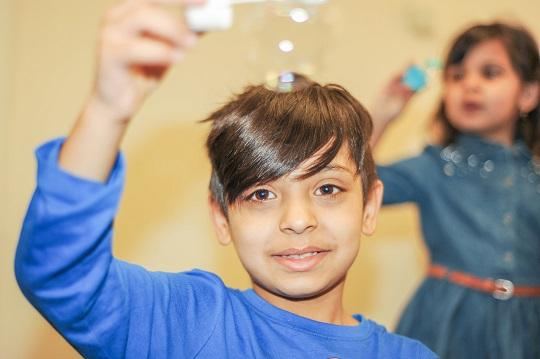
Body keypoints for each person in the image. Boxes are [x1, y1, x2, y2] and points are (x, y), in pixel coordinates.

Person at [14, 0, 437, 357]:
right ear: (220, 217)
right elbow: (60, 276)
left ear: (369, 206)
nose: (297, 218)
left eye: (327, 188)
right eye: (261, 194)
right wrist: (107, 110)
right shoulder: (186, 324)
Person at [370, 22, 540, 358]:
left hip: (527, 330)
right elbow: (349, 188)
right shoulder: (434, 167)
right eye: (457, 75)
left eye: (490, 73)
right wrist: (382, 115)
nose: (470, 85)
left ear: (528, 94)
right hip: (446, 324)